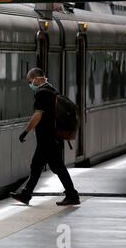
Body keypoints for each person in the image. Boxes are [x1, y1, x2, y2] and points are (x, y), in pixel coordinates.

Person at [10, 67, 80, 206]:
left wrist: (26, 131)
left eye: (30, 81)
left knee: (57, 167)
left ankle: (72, 194)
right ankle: (26, 194)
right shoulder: (51, 90)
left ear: (37, 79)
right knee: (36, 166)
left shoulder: (42, 93)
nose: (30, 84)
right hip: (50, 138)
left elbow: (38, 115)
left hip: (48, 138)